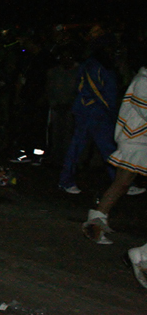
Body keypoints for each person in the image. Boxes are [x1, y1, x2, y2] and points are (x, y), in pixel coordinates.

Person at [57, 34, 143, 196]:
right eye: (111, 48)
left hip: (99, 113)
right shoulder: (93, 65)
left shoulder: (106, 65)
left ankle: (121, 183)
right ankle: (66, 181)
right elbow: (96, 91)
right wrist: (110, 110)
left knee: (109, 150)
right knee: (79, 148)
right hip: (90, 112)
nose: (114, 51)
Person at [82, 58, 147, 244]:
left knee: (122, 184)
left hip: (139, 140)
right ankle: (95, 222)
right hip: (135, 140)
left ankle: (95, 222)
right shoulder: (142, 81)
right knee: (121, 184)